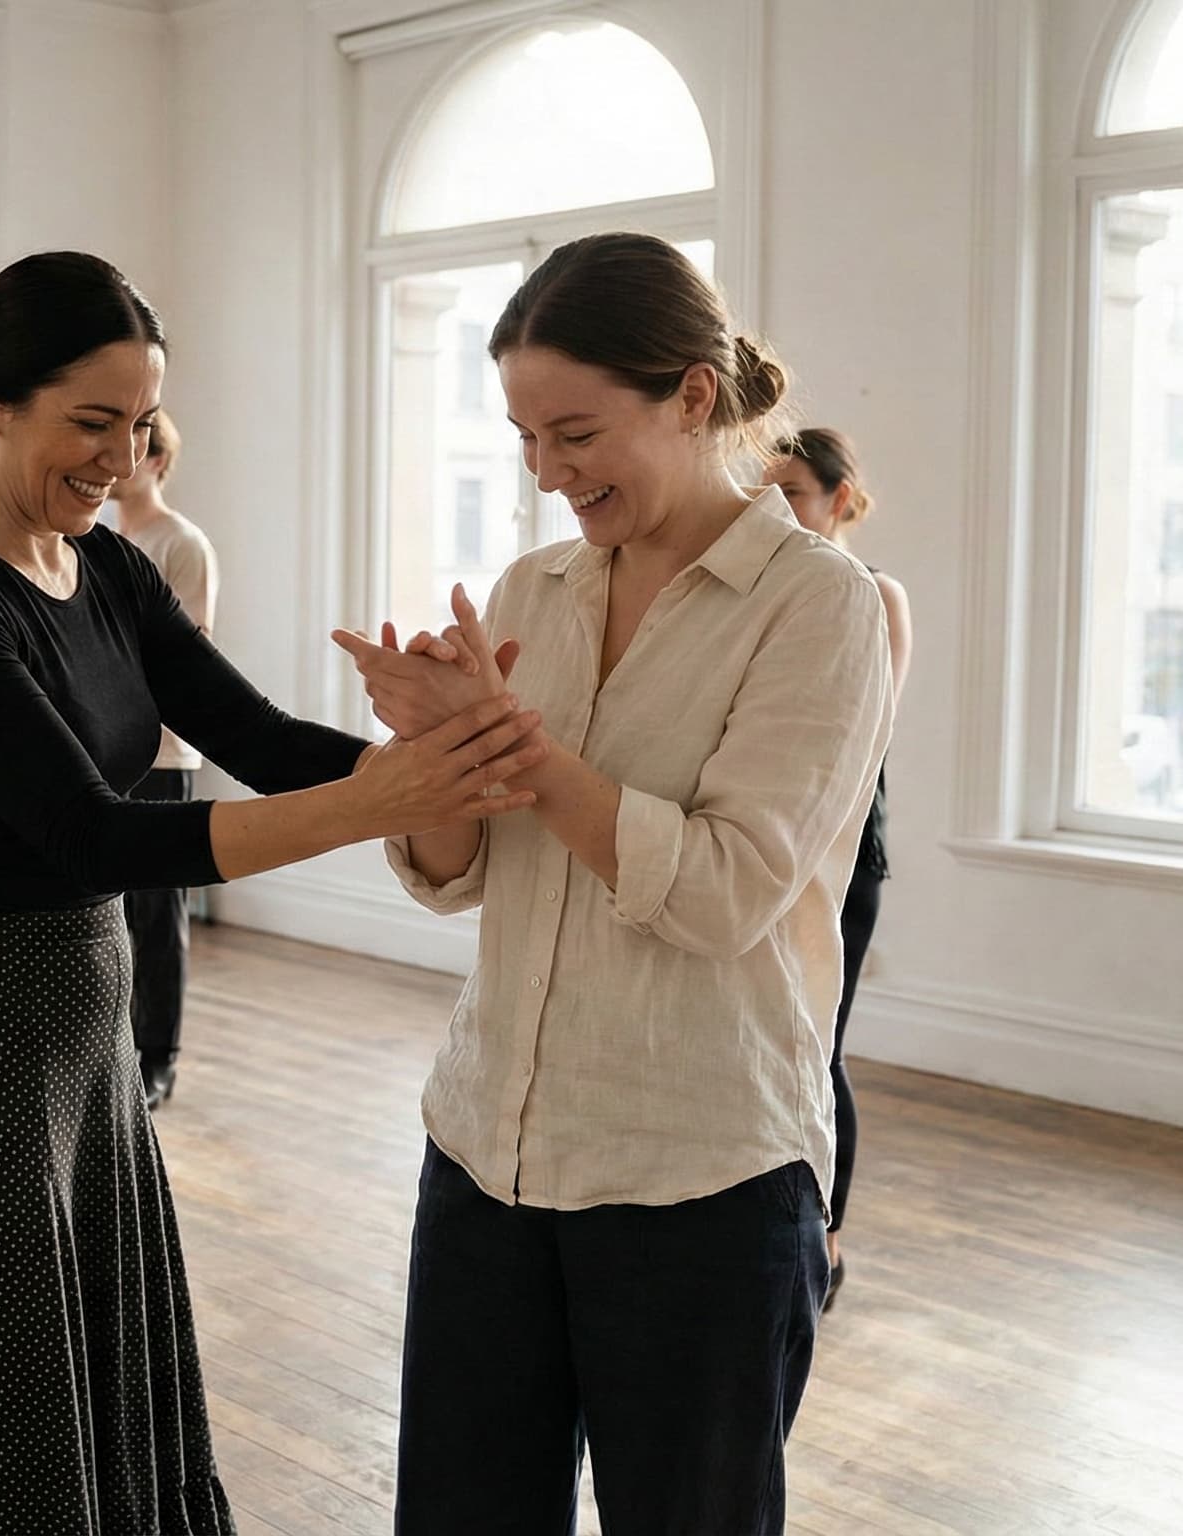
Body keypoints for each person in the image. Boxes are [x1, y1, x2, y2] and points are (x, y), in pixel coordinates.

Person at [0, 250, 551, 1536]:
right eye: (91, 422)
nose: (120, 460)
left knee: (72, 1388)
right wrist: (378, 803)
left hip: (84, 1030)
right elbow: (95, 837)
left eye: (138, 426)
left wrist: (437, 761)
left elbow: (255, 736)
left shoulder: (113, 569)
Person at [335, 231, 894, 1535]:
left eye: (575, 433)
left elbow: (723, 893)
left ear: (693, 397)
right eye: (526, 439)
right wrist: (438, 764)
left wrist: (520, 750)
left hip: (700, 1176)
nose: (547, 473)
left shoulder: (819, 606)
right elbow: (458, 881)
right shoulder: (532, 590)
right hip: (484, 1151)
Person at [763, 427, 912, 1311]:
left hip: (841, 857)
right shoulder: (762, 592)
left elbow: (855, 735)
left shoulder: (873, 593)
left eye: (791, 492)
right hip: (773, 846)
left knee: (822, 1044)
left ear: (840, 500)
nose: (773, 508)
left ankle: (829, 1238)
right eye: (762, 490)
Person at [110, 409, 218, 1108]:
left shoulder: (182, 544)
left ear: (157, 460)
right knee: (109, 913)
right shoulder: (93, 542)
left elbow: (190, 657)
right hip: (103, 752)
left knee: (156, 913)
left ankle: (159, 1059)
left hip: (164, 756)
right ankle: (116, 1053)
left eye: (136, 445)